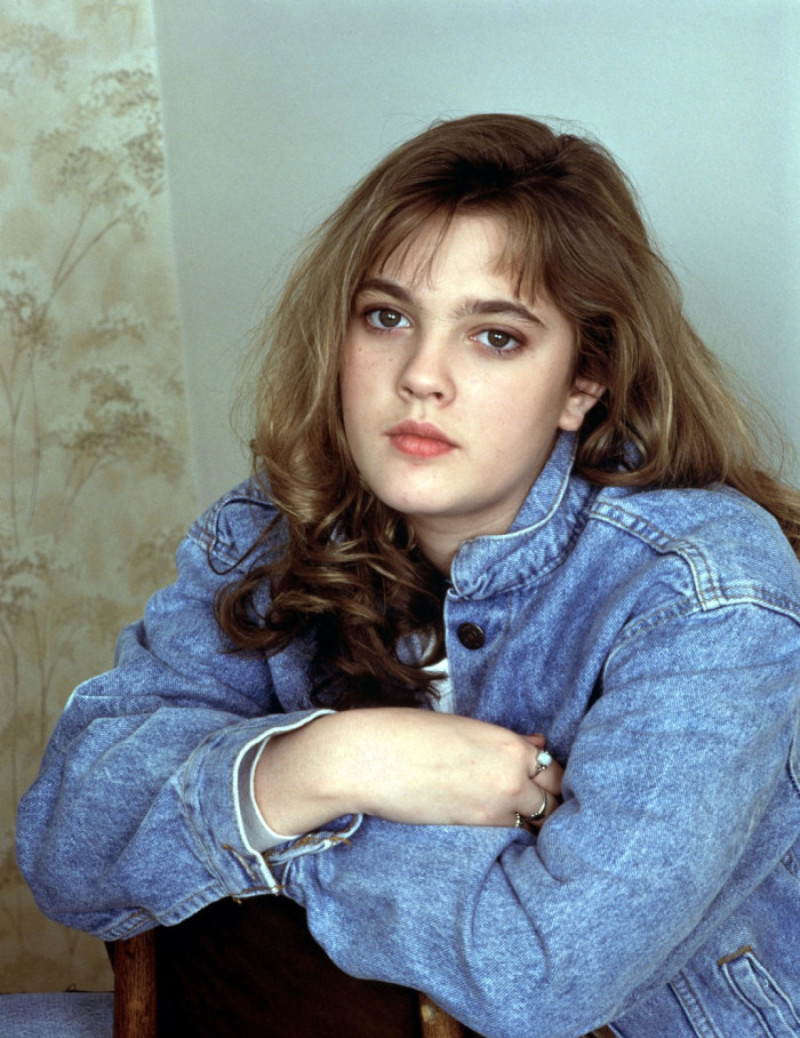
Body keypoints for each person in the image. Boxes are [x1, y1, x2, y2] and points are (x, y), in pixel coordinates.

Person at [17, 114, 800, 1038]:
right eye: (387, 317)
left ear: (583, 382)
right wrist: (341, 761)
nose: (421, 376)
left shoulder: (705, 590)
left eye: (495, 336)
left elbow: (538, 977)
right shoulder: (270, 525)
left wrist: (256, 821)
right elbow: (68, 845)